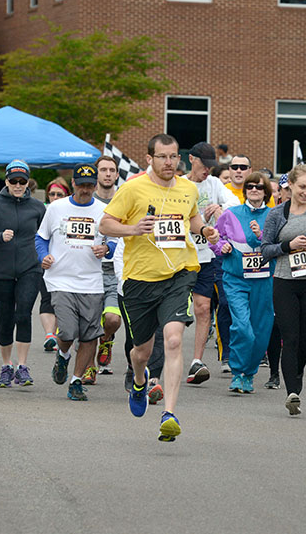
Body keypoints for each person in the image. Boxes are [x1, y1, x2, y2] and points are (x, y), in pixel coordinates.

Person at [101, 133, 219, 441]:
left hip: (178, 274)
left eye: (174, 156)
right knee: (141, 351)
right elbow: (105, 224)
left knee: (174, 339)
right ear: (150, 158)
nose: (169, 162)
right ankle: (139, 381)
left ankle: (169, 413)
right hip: (140, 280)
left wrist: (204, 229)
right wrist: (132, 229)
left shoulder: (188, 188)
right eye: (163, 157)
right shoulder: (132, 189)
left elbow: (191, 218)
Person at [261, 163, 306, 416]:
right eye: (301, 187)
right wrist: (288, 245)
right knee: (290, 338)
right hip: (284, 282)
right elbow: (265, 250)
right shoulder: (277, 214)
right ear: (290, 186)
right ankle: (292, 392)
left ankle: (296, 375)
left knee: (305, 341)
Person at [36, 164, 108, 401]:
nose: (85, 189)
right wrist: (43, 256)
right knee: (67, 331)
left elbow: (115, 241)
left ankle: (76, 381)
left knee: (89, 336)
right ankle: (63, 356)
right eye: (81, 184)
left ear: (95, 185)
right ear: (73, 184)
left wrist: (106, 247)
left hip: (91, 282)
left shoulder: (104, 211)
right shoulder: (56, 208)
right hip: (61, 280)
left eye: (90, 185)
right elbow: (41, 237)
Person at [0, 160, 45, 388]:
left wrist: (46, 256)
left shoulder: (37, 207)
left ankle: (22, 366)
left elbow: (46, 236)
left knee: (23, 314)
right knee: (5, 320)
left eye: (22, 181)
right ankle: (6, 366)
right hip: (1, 271)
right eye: (13, 181)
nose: (17, 185)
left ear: (28, 183)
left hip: (29, 269)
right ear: (6, 181)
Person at [210, 171, 274, 393]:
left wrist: (263, 234)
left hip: (264, 281)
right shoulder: (231, 214)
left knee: (261, 331)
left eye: (258, 187)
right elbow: (214, 238)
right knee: (242, 327)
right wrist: (221, 247)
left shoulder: (275, 215)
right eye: (250, 187)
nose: (254, 190)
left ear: (266, 192)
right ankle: (237, 372)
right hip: (236, 279)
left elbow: (281, 244)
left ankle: (250, 373)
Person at [183, 142, 240, 384]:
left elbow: (236, 204)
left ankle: (197, 361)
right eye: (204, 165)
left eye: (211, 166)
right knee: (177, 313)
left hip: (206, 256)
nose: (207, 170)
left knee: (204, 308)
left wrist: (221, 208)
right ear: (192, 160)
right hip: (182, 256)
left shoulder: (215, 184)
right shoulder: (180, 185)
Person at [91, 155, 122, 378]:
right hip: (88, 269)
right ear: (97, 174)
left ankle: (107, 340)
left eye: (112, 170)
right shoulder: (86, 200)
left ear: (117, 174)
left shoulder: (124, 200)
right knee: (88, 322)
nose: (108, 174)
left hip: (114, 270)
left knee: (112, 319)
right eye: (103, 170)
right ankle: (88, 367)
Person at [39, 177, 69, 352]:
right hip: (46, 261)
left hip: (66, 263)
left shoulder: (71, 211)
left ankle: (60, 332)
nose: (55, 197)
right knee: (46, 298)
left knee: (62, 300)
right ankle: (49, 335)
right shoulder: (42, 211)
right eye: (52, 194)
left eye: (60, 194)